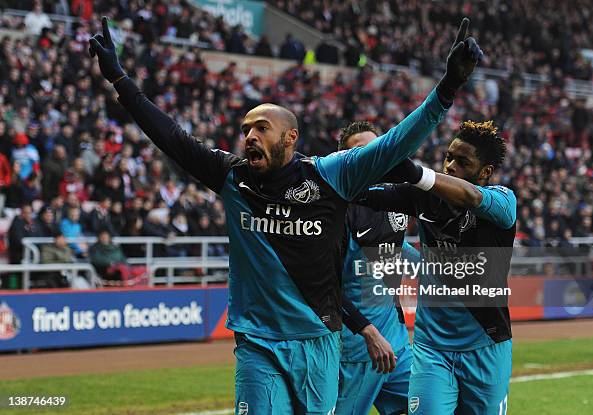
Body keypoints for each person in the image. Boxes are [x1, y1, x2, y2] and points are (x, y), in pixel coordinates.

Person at [89, 16, 481, 414]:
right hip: (258, 342)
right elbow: (171, 137)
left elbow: (396, 142)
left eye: (261, 127)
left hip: (319, 344)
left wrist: (447, 88)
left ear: (290, 137)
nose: (250, 136)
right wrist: (120, 80)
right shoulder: (232, 178)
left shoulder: (330, 176)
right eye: (246, 130)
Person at [356, 120, 516, 414]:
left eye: (462, 162)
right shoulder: (424, 198)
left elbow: (472, 196)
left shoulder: (504, 202)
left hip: (486, 344)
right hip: (432, 348)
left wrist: (415, 172)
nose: (451, 165)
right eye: (449, 157)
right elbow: (366, 193)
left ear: (485, 172)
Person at [335, 121, 420, 415]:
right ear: (344, 160)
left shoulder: (394, 197)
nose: (372, 155)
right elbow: (324, 287)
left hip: (396, 341)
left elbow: (397, 250)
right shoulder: (336, 210)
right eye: (361, 150)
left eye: (376, 148)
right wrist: (368, 333)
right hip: (355, 349)